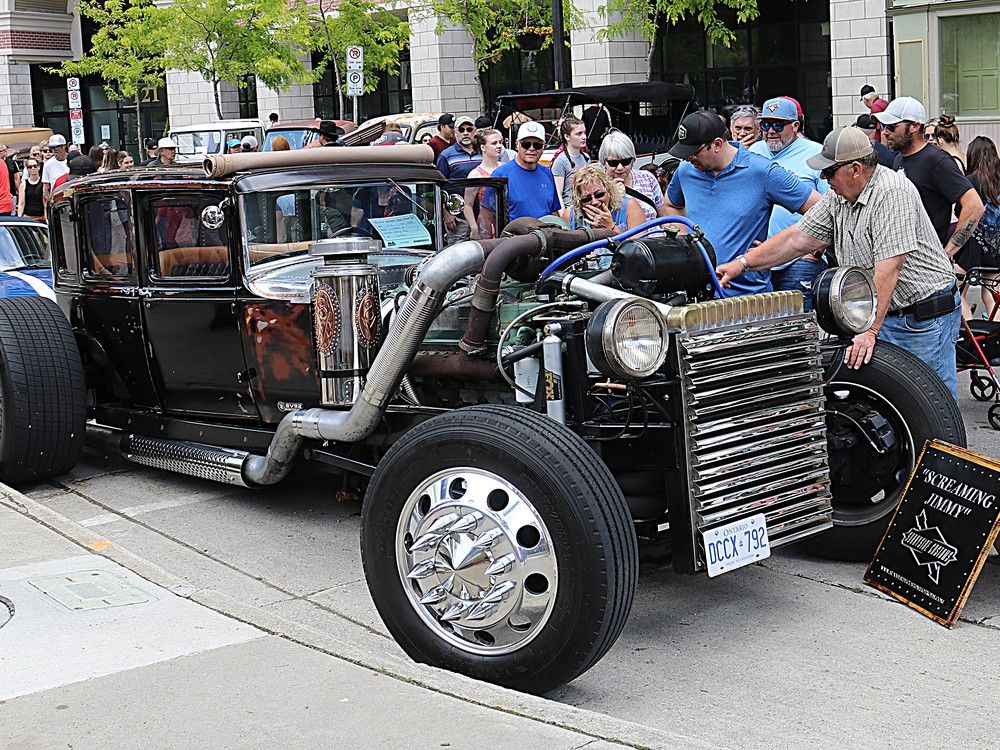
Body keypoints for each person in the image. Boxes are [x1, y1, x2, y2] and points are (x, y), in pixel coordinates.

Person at [716, 126, 962, 400]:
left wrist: (869, 330)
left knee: (931, 406)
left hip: (921, 318)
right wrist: (742, 263)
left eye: (829, 171)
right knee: (888, 403)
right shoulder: (838, 197)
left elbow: (889, 267)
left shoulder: (892, 192)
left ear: (855, 169)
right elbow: (797, 239)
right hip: (884, 312)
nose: (823, 178)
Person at [663, 110, 820, 296]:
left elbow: (821, 209)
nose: (688, 158)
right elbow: (672, 204)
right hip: (696, 293)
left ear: (717, 144)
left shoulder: (762, 171)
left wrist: (796, 249)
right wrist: (684, 241)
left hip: (748, 298)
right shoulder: (685, 170)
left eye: (693, 153)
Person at [747, 96, 829, 309]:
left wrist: (816, 251)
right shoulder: (754, 152)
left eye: (778, 124)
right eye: (765, 124)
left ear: (795, 126)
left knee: (798, 326)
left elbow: (832, 208)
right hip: (757, 257)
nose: (770, 131)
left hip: (798, 260)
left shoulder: (815, 153)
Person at [876, 97, 984, 257]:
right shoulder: (898, 158)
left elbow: (974, 206)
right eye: (883, 126)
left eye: (892, 127)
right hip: (903, 256)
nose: (885, 132)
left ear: (914, 126)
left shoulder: (937, 160)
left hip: (928, 262)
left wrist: (947, 253)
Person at [955, 136, 1000, 318]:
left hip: (972, 249)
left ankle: (970, 335)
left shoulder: (970, 182)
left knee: (955, 291)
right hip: (997, 248)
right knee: (992, 294)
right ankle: (994, 340)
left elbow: (961, 212)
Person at [482, 121, 560, 224]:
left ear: (543, 147)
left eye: (537, 145)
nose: (531, 149)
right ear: (517, 145)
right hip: (515, 237)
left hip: (545, 236)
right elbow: (487, 213)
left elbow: (553, 211)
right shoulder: (501, 174)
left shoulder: (547, 173)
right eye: (526, 144)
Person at [559, 164, 645, 236]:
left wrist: (611, 227)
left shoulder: (630, 207)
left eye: (599, 195)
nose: (594, 202)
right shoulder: (569, 215)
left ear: (608, 191)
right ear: (579, 202)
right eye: (586, 199)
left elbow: (639, 251)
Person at [600, 129, 666, 221]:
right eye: (613, 163)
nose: (620, 167)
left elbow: (663, 217)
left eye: (625, 161)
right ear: (604, 162)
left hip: (655, 234)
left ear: (633, 160)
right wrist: (612, 198)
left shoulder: (647, 178)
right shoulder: (598, 186)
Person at [436, 115, 481, 243]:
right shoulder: (446, 155)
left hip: (484, 216)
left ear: (475, 131)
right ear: (455, 132)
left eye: (469, 129)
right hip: (457, 218)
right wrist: (446, 213)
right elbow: (438, 187)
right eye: (461, 130)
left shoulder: (483, 152)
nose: (465, 133)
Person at [463, 128, 503, 240]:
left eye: (500, 142)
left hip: (506, 220)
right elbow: (467, 204)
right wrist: (474, 228)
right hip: (486, 223)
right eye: (494, 143)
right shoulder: (475, 174)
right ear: (483, 147)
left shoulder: (506, 168)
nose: (499, 146)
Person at [550, 116, 589, 209]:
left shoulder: (586, 158)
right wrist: (564, 218)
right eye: (579, 134)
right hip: (570, 211)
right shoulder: (560, 161)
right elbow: (557, 194)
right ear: (567, 136)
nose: (584, 137)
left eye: (584, 132)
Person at [42, 134, 70, 207]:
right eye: (52, 148)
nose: (54, 150)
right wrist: (49, 204)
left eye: (56, 147)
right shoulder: (48, 164)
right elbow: (45, 188)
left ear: (63, 146)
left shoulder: (72, 160)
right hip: (57, 202)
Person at [17, 156, 44, 221]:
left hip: (42, 217)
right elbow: (21, 203)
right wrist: (19, 219)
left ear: (39, 167)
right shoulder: (24, 184)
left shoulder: (44, 182)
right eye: (30, 167)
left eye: (35, 166)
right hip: (28, 217)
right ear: (27, 169)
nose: (33, 168)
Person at [0, 144, 19, 214]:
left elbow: (16, 178)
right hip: (6, 203)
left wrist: (18, 192)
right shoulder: (2, 162)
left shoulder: (10, 162)